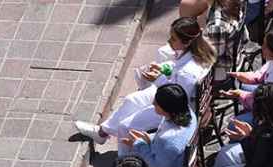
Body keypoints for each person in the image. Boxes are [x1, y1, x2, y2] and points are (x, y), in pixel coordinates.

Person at [75, 17, 215, 142]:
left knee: (125, 127)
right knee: (132, 100)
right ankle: (102, 132)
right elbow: (178, 68)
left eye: (173, 39)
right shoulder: (198, 52)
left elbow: (176, 98)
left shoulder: (187, 73)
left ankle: (126, 156)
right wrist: (163, 68)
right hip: (175, 93)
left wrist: (158, 79)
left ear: (187, 42)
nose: (169, 41)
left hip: (174, 111)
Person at [118, 83, 197, 167]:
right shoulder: (189, 114)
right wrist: (149, 138)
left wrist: (139, 145)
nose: (153, 103)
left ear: (166, 108)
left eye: (156, 103)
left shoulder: (167, 140)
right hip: (176, 158)